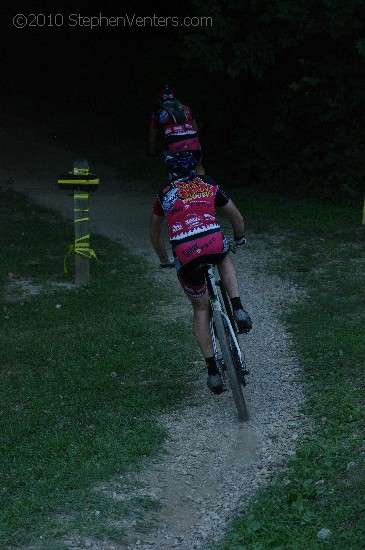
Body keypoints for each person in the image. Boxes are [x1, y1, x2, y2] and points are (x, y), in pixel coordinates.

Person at [150, 151, 252, 394]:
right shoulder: (208, 184)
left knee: (200, 309)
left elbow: (155, 234)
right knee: (223, 255)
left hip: (185, 254)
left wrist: (165, 259)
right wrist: (239, 238)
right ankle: (237, 307)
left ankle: (213, 372)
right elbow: (236, 217)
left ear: (169, 172)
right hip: (212, 243)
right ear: (195, 169)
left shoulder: (162, 194)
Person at [148, 84, 205, 175]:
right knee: (198, 165)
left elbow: (152, 137)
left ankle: (177, 186)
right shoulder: (187, 109)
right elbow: (196, 130)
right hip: (193, 142)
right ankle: (203, 187)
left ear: (159, 99)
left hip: (173, 144)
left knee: (173, 168)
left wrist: (152, 152)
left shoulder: (157, 113)